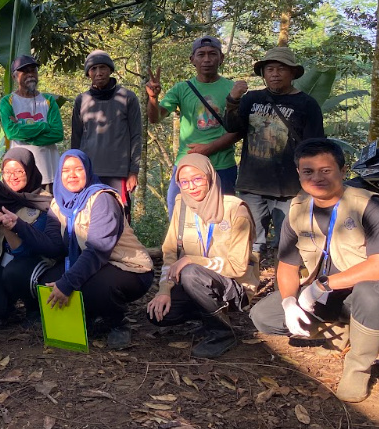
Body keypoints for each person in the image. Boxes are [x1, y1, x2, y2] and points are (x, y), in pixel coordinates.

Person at [250, 139, 379, 403]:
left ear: (343, 172)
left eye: (325, 170)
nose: (316, 178)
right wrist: (288, 302)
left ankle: (358, 367)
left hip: (359, 294)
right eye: (308, 171)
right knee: (265, 315)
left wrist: (322, 284)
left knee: (370, 293)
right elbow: (287, 265)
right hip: (325, 296)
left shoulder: (368, 206)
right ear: (299, 173)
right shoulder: (298, 210)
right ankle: (343, 331)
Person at [0, 150, 153, 348]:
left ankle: (117, 323)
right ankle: (87, 316)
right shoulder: (59, 202)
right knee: (46, 281)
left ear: (87, 171)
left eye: (78, 169)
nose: (72, 174)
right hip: (89, 262)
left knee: (92, 286)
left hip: (126, 266)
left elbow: (98, 250)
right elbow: (53, 246)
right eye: (66, 170)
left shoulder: (102, 199)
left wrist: (68, 283)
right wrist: (19, 225)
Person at [146, 154, 257, 358]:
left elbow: (238, 267)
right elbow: (170, 252)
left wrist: (194, 260)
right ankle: (208, 316)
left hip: (234, 288)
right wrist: (164, 290)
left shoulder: (235, 209)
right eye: (184, 182)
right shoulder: (182, 205)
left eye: (198, 179)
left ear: (211, 177)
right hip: (197, 282)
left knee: (190, 272)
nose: (191, 186)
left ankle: (222, 332)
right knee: (158, 315)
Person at [224, 47, 324, 259]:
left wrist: (310, 184)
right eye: (270, 69)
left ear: (293, 73)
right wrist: (232, 101)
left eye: (281, 69)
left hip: (289, 188)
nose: (275, 74)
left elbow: (315, 147)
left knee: (288, 245)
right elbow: (232, 127)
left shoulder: (307, 104)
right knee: (249, 243)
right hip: (252, 185)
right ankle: (248, 288)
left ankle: (283, 290)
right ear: (264, 73)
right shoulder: (251, 99)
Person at [146, 36, 241, 217]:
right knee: (180, 218)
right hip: (187, 167)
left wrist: (208, 148)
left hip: (222, 166)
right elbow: (155, 118)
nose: (207, 59)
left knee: (223, 219)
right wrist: (152, 98)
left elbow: (239, 130)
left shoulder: (232, 88)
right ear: (192, 60)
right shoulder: (182, 89)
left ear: (221, 58)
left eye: (212, 54)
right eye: (201, 54)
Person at [0, 148, 52, 322]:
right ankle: (6, 306)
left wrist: (5, 223)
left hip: (29, 262)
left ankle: (33, 307)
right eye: (7, 172)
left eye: (19, 171)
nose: (12, 177)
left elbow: (26, 251)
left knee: (16, 272)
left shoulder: (44, 202)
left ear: (29, 170)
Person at [71, 50, 142, 217]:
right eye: (93, 69)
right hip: (89, 171)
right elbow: (76, 137)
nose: (98, 73)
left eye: (102, 67)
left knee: (120, 215)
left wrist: (134, 171)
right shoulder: (81, 100)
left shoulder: (127, 97)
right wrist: (75, 169)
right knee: (89, 215)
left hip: (119, 172)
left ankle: (123, 244)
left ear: (110, 70)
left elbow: (136, 136)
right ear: (88, 73)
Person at [0, 55, 64, 188]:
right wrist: (44, 126)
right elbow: (12, 132)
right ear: (14, 77)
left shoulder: (48, 101)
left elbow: (57, 134)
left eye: (33, 70)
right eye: (25, 71)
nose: (30, 74)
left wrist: (24, 135)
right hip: (20, 174)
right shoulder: (7, 102)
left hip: (49, 171)